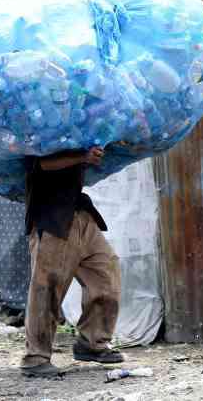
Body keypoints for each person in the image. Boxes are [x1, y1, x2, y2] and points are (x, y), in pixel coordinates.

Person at [20, 146, 123, 377]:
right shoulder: (39, 132)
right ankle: (35, 357)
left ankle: (92, 342)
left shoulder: (76, 127)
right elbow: (41, 164)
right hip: (52, 216)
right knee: (47, 288)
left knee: (106, 271)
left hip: (80, 212)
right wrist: (83, 157)